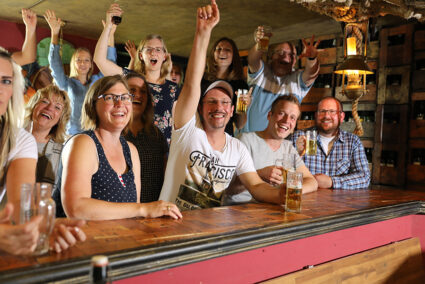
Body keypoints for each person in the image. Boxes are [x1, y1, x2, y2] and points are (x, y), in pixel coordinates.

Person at [159, 0, 285, 211]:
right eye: (212, 101)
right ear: (200, 108)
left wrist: (281, 194)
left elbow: (255, 185)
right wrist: (203, 33)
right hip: (172, 226)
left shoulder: (237, 148)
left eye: (225, 102)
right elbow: (191, 82)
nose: (219, 107)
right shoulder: (186, 132)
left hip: (211, 231)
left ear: (231, 109)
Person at [52, 75, 182, 220]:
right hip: (81, 241)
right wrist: (143, 209)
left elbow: (133, 213)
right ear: (93, 104)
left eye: (125, 97)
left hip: (120, 240)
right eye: (110, 97)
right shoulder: (83, 143)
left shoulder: (131, 151)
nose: (120, 103)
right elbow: (76, 208)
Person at [0, 47, 85, 255]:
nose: (0, 89)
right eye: (45, 102)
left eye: (6, 81)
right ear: (33, 105)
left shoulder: (20, 141)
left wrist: (42, 227)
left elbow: (22, 203)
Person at [94, 4, 180, 145]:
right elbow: (99, 60)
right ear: (140, 55)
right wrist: (108, 28)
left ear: (164, 56)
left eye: (158, 49)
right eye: (149, 49)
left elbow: (179, 125)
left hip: (161, 152)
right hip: (129, 145)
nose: (153, 52)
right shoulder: (130, 78)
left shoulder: (173, 88)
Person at [224, 95, 318, 204]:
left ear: (294, 125)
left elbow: (312, 182)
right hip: (241, 209)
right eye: (281, 113)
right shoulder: (245, 140)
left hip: (271, 208)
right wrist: (259, 174)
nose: (286, 120)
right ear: (269, 115)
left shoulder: (288, 147)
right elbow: (228, 188)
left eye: (292, 117)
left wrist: (291, 192)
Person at [44, 10, 116, 135]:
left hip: (95, 134)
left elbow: (110, 63)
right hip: (72, 134)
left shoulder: (97, 81)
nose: (83, 63)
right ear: (74, 63)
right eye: (79, 60)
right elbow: (55, 64)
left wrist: (110, 34)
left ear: (91, 64)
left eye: (86, 60)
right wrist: (54, 33)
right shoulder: (66, 83)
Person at [241, 27, 320, 133]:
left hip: (276, 145)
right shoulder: (262, 73)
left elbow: (311, 74)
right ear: (271, 56)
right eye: (280, 52)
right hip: (247, 141)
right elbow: (252, 60)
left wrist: (312, 59)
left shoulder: (296, 80)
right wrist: (259, 45)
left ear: (294, 61)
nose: (285, 57)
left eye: (291, 55)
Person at [292, 97, 370, 190]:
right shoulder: (299, 137)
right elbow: (285, 173)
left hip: (340, 203)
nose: (327, 116)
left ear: (341, 117)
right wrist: (298, 154)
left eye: (332, 111)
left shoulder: (352, 142)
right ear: (316, 115)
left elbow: (364, 177)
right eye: (322, 111)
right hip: (307, 200)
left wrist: (332, 182)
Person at [124, 73, 168, 203]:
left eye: (143, 91)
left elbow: (166, 176)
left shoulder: (156, 134)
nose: (138, 95)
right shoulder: (112, 133)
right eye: (132, 90)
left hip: (153, 210)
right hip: (121, 211)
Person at [24, 85, 71, 187]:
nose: (49, 108)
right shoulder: (9, 137)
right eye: (45, 101)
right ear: (33, 105)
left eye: (57, 107)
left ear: (60, 119)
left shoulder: (64, 154)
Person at [202, 37, 249, 136]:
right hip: (200, 133)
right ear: (213, 54)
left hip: (224, 136)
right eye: (218, 49)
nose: (222, 51)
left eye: (227, 50)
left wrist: (244, 108)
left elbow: (239, 125)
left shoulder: (240, 85)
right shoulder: (202, 80)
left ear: (234, 57)